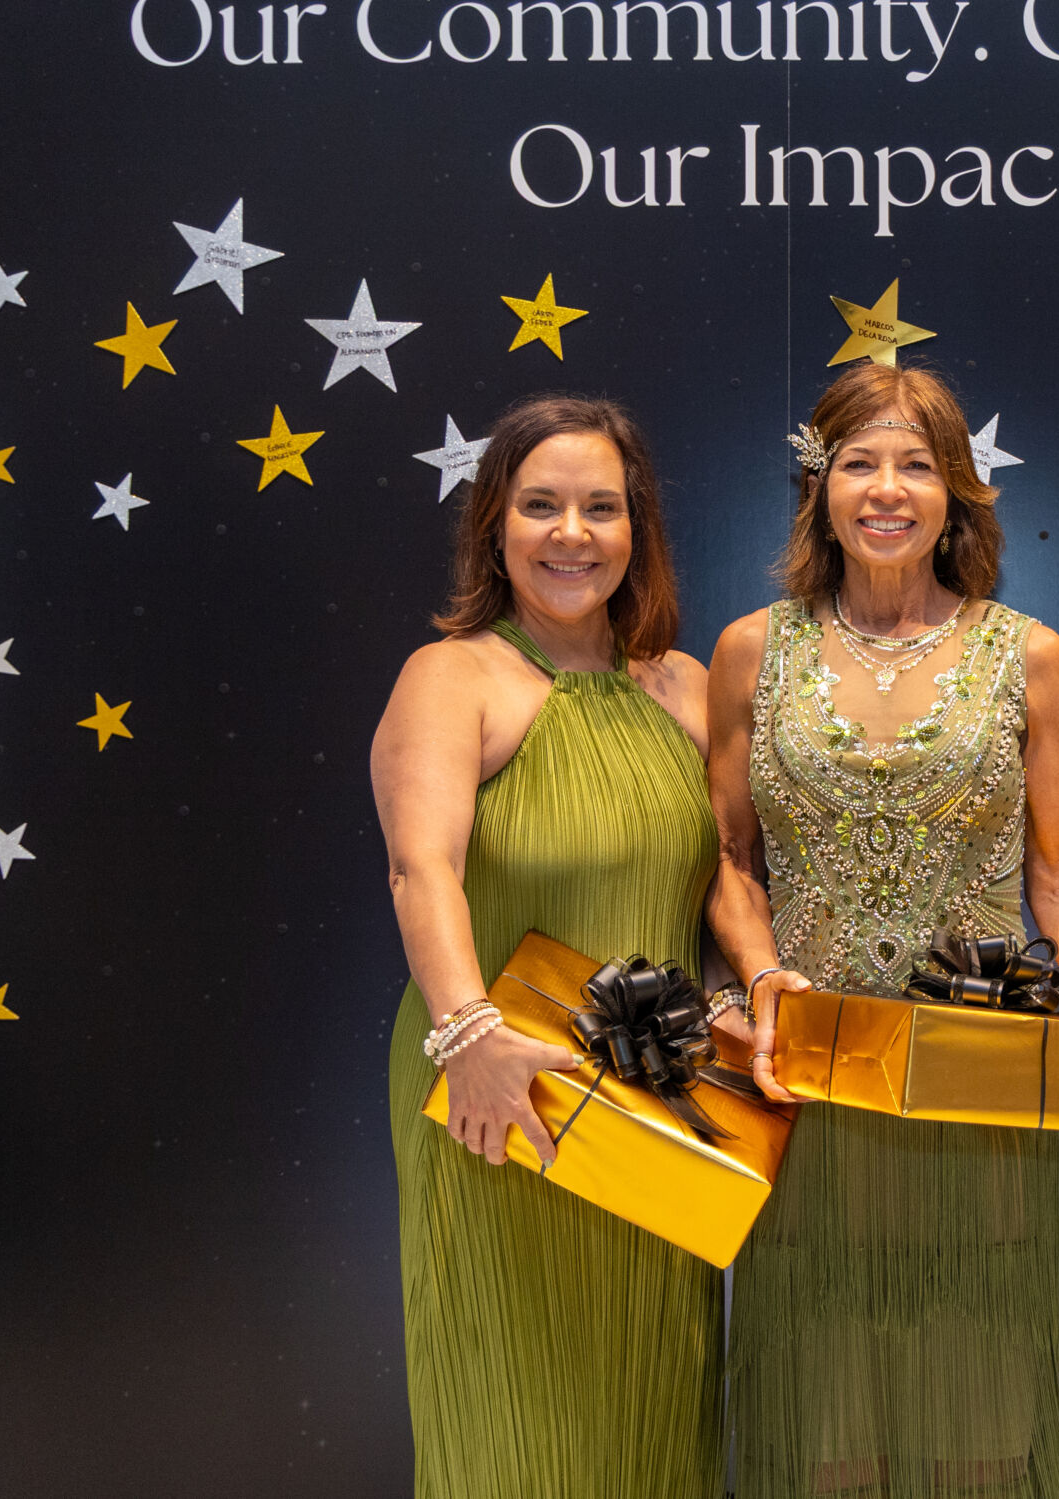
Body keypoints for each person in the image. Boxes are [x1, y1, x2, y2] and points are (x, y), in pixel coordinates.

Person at [708, 361, 1059, 1499]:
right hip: (811, 1090)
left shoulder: (1030, 656)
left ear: (957, 491)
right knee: (820, 1425)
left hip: (980, 1089)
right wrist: (763, 978)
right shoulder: (749, 651)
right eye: (859, 463)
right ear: (819, 486)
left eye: (916, 466)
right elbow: (729, 862)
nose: (887, 490)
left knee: (978, 1416)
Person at [371, 395, 724, 1499]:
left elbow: (727, 885)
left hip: (656, 1116)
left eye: (601, 507)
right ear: (494, 526)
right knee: (514, 1428)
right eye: (540, 506)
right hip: (497, 1098)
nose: (572, 533)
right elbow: (419, 868)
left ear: (637, 528)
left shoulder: (685, 685)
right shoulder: (452, 676)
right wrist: (470, 1036)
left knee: (653, 1411)